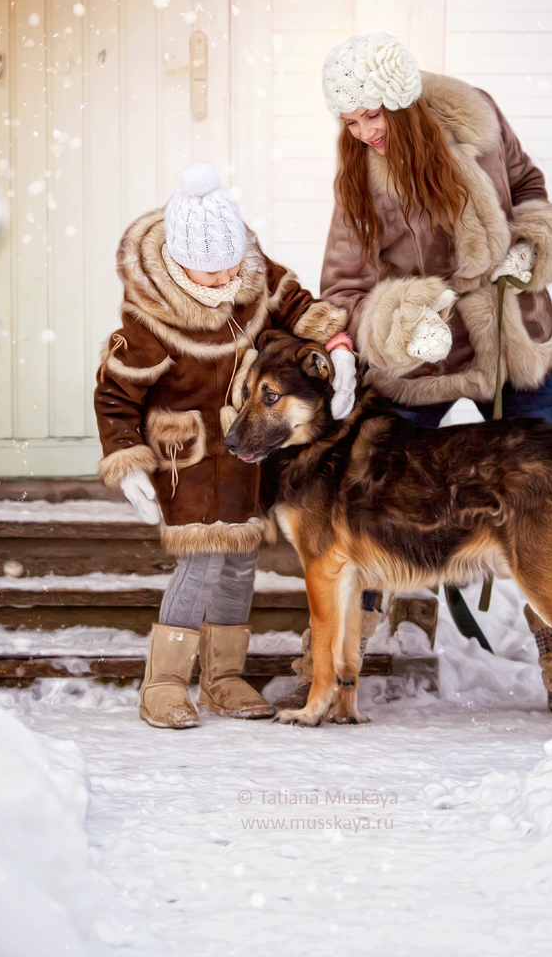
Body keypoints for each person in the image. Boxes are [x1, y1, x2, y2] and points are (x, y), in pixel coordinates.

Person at [285, 32, 552, 719]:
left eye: (375, 114)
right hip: (424, 358)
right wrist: (399, 324)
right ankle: (339, 659)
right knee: (367, 490)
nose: (364, 131)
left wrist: (529, 245)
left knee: (543, 498)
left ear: (408, 103)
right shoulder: (360, 181)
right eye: (349, 118)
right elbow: (341, 288)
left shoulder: (479, 118)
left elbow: (530, 189)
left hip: (513, 341)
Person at [95, 162, 348, 729]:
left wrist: (338, 344)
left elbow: (300, 307)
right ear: (178, 263)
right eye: (206, 274)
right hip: (189, 461)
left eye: (229, 267)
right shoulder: (147, 321)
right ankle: (163, 684)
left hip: (245, 452)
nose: (221, 281)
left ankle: (223, 677)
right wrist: (126, 459)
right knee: (202, 562)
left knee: (239, 561)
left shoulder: (254, 280)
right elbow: (115, 394)